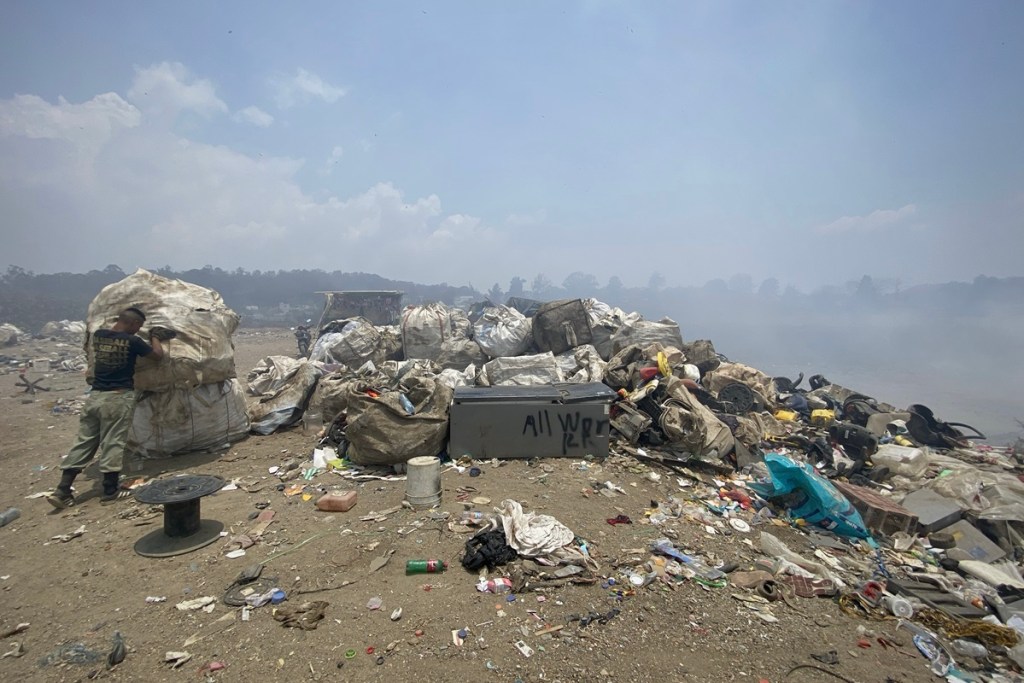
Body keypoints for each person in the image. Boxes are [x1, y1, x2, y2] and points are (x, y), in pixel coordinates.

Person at [47, 307, 168, 508]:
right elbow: (157, 356)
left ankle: (63, 490)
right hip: (118, 398)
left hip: (95, 397)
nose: (138, 330)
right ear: (131, 323)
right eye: (138, 326)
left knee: (84, 442)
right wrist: (155, 337)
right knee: (113, 441)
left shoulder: (99, 335)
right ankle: (110, 489)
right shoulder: (133, 341)